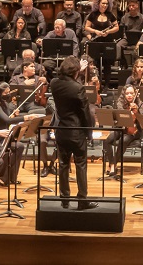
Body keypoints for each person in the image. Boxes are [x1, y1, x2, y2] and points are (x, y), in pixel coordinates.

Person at [50, 56, 98, 209]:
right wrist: (89, 132)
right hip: (76, 132)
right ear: (76, 72)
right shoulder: (78, 88)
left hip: (61, 130)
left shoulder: (54, 83)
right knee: (80, 165)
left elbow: (65, 81)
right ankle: (82, 200)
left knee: (63, 165)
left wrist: (77, 71)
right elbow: (85, 112)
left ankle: (65, 199)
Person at [103, 85, 143, 178]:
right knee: (107, 140)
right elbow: (117, 118)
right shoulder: (120, 103)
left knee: (124, 140)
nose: (129, 95)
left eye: (131, 93)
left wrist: (137, 112)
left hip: (134, 130)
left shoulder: (139, 103)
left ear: (135, 94)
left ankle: (113, 165)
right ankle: (111, 163)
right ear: (124, 94)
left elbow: (142, 121)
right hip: (121, 128)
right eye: (127, 93)